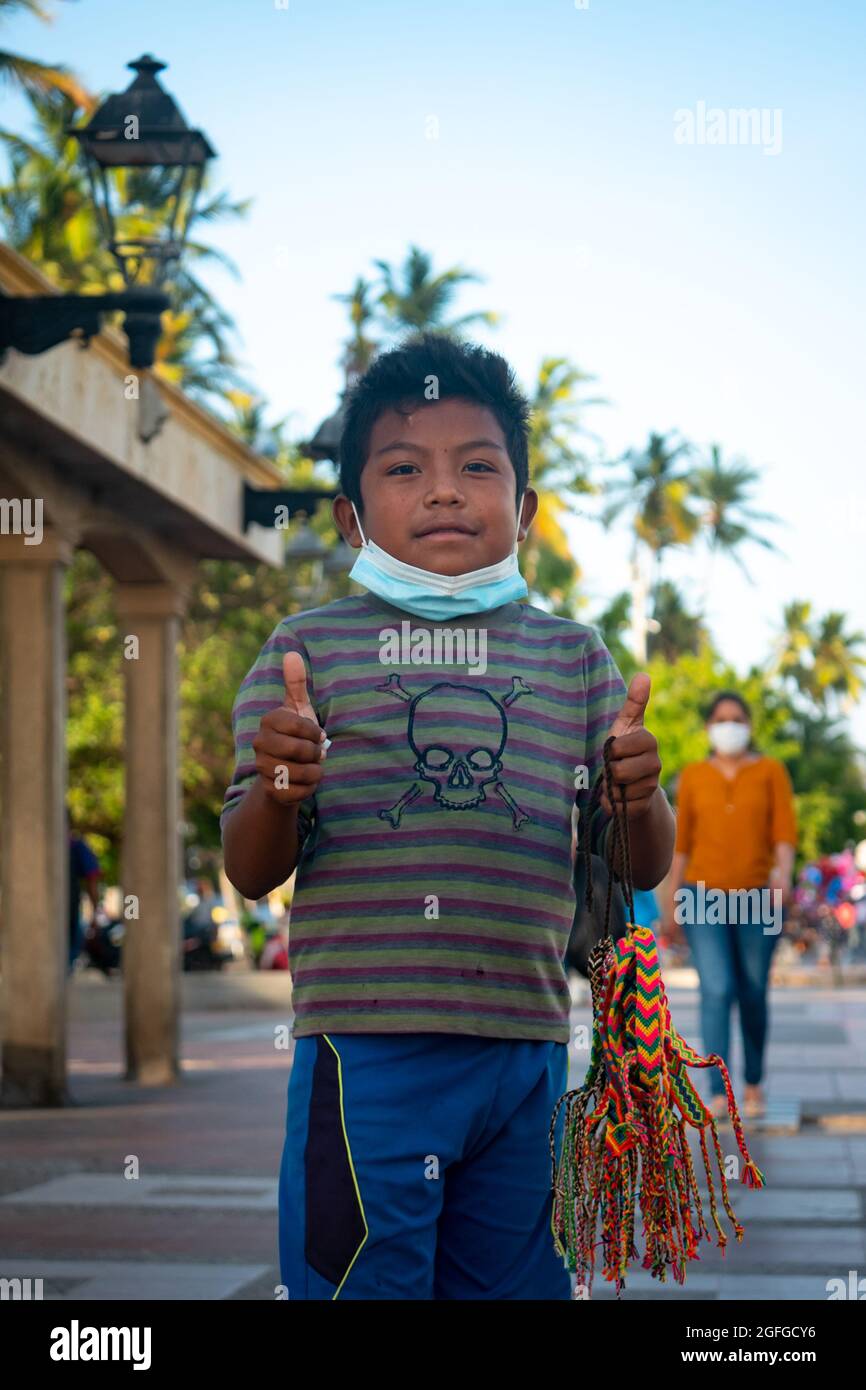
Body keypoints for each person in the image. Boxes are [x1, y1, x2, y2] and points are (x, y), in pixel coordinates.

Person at [221, 332, 675, 1301]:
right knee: (361, 1282)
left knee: (513, 1285)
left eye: (477, 466)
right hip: (363, 1051)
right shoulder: (306, 651)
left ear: (524, 509)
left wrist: (639, 790)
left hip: (524, 1050)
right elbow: (250, 869)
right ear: (350, 517)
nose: (442, 491)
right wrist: (278, 786)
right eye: (402, 469)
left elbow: (634, 864)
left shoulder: (574, 658)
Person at [664, 691, 797, 1120]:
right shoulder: (695, 776)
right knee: (717, 988)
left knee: (753, 991)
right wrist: (670, 901)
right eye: (721, 718)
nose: (729, 725)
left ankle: (754, 1081)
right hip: (702, 896)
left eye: (737, 718)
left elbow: (784, 833)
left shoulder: (771, 771)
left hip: (758, 895)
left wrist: (782, 876)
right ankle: (717, 1090)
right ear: (709, 728)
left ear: (749, 725)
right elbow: (680, 845)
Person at [67, 811, 101, 973]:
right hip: (69, 910)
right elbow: (92, 881)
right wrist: (95, 913)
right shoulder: (76, 846)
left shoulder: (75, 847)